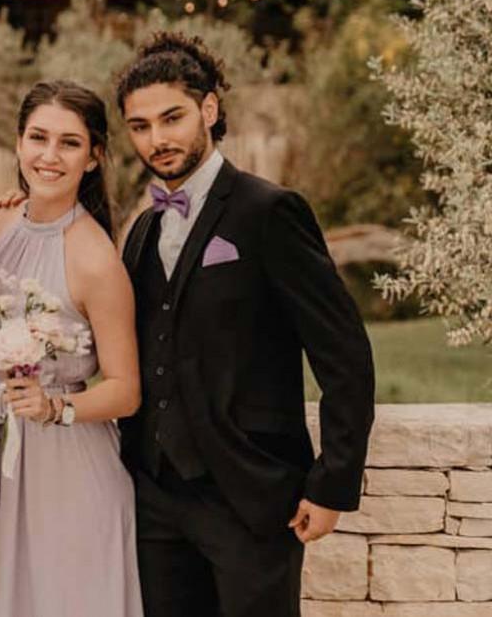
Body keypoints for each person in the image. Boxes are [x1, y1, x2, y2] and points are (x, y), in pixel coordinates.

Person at [114, 32, 375, 617]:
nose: (157, 139)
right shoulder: (144, 230)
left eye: (172, 118)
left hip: (250, 492)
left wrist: (332, 482)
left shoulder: (270, 212)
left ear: (209, 109)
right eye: (140, 126)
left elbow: (344, 354)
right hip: (155, 499)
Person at [0, 80, 143, 617]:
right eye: (38, 137)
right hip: (8, 461)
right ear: (18, 143)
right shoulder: (2, 220)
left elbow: (126, 390)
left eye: (69, 143)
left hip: (71, 469)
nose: (49, 156)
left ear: (94, 157)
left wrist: (56, 407)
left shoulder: (97, 260)